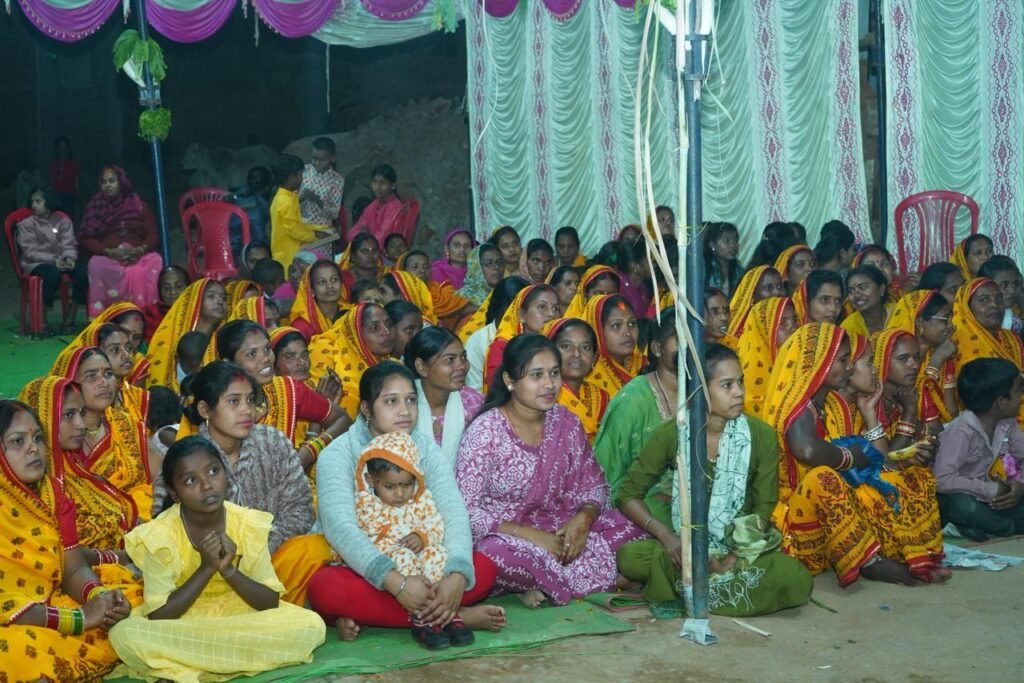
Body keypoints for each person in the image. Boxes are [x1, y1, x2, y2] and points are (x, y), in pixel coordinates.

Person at [310, 362, 505, 640]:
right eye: (391, 401)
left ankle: (397, 615)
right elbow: (341, 530)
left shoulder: (424, 448)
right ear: (366, 409)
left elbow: (453, 512)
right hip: (366, 566)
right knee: (325, 588)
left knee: (483, 567)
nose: (405, 411)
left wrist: (456, 578)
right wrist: (396, 583)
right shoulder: (337, 454)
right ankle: (457, 617)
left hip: (426, 560)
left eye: (411, 400)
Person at [615, 344, 813, 614]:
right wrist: (667, 537)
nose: (739, 392)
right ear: (699, 390)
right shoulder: (673, 433)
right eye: (727, 385)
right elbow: (627, 494)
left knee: (795, 577)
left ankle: (687, 586)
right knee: (629, 557)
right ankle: (715, 587)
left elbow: (764, 506)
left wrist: (733, 557)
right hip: (686, 544)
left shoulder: (761, 435)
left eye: (740, 382)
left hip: (740, 545)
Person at [109, 436, 325, 680]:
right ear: (174, 493)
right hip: (183, 623)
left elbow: (269, 601)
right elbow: (159, 614)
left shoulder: (246, 523)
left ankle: (189, 662)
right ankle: (227, 657)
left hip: (240, 616)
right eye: (191, 481)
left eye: (213, 471)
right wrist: (206, 569)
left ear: (226, 474)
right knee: (125, 634)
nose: (207, 485)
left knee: (311, 625)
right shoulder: (160, 535)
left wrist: (229, 571)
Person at [457, 334, 644, 607]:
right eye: (537, 375)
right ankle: (596, 577)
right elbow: (466, 511)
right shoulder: (485, 432)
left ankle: (543, 583)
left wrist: (583, 519)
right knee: (491, 554)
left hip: (564, 531)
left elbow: (595, 485)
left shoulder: (567, 423)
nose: (549, 384)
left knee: (634, 526)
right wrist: (533, 536)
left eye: (554, 373)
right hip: (508, 538)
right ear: (510, 380)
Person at [764, 323, 946, 585]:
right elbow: (807, 450)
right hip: (796, 520)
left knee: (915, 477)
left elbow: (878, 462)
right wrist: (849, 457)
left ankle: (914, 555)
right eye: (842, 360)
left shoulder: (829, 404)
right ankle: (870, 563)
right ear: (819, 361)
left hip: (833, 513)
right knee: (823, 478)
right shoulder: (797, 405)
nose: (849, 368)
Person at [0, 400, 136, 682]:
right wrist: (79, 619)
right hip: (14, 619)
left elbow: (72, 569)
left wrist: (100, 599)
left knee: (130, 601)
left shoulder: (52, 495)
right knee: (10, 650)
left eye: (38, 438)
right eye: (17, 441)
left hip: (46, 603)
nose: (33, 448)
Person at [355, 432, 474, 649]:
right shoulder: (367, 504)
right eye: (390, 487)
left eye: (407, 484)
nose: (400, 494)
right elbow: (368, 537)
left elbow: (436, 524)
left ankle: (443, 611)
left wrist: (423, 536)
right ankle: (422, 619)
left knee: (438, 554)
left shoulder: (421, 499)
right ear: (371, 480)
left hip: (424, 555)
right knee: (403, 557)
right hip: (392, 562)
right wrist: (399, 541)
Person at [19, 376, 139, 559]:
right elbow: (63, 554)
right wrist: (125, 557)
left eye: (81, 413)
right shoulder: (31, 485)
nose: (81, 425)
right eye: (68, 415)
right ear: (43, 416)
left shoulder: (76, 472)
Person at [206, 320, 350, 455]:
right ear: (229, 363)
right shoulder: (217, 408)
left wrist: (308, 453)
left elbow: (343, 419)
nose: (266, 358)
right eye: (252, 354)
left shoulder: (287, 389)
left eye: (267, 349)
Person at [50, 346, 154, 518]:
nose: (104, 383)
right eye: (91, 376)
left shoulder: (125, 424)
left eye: (108, 374)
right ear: (69, 384)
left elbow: (164, 473)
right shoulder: (56, 436)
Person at [593, 310, 678, 520]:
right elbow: (607, 473)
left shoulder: (706, 391)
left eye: (698, 340)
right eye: (681, 340)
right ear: (657, 348)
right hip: (643, 507)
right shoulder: (632, 399)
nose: (692, 348)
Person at [934, 358, 1024, 539]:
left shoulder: (1007, 423)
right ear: (1001, 402)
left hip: (987, 497)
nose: (1021, 399)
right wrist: (990, 490)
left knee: (1009, 504)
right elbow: (941, 480)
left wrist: (1020, 485)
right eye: (1018, 392)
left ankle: (979, 528)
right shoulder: (961, 431)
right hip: (954, 496)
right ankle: (1006, 527)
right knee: (962, 506)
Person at [79, 166, 162, 315]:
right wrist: (108, 252)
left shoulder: (138, 204)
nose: (107, 185)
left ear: (121, 182)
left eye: (112, 181)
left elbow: (153, 234)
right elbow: (86, 237)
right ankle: (105, 317)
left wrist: (140, 250)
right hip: (109, 255)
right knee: (95, 264)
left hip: (137, 254)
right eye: (104, 182)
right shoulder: (95, 206)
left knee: (155, 261)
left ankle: (145, 316)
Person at [405, 326, 484, 467]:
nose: (461, 366)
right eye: (450, 359)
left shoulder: (474, 404)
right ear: (421, 367)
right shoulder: (403, 407)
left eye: (463, 357)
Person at [16, 186, 88, 334]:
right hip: (35, 262)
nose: (34, 205)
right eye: (32, 202)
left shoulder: (63, 221)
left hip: (60, 260)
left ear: (48, 202)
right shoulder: (27, 224)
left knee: (83, 272)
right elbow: (30, 252)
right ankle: (41, 320)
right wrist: (53, 259)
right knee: (52, 274)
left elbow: (69, 244)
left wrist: (69, 258)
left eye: (38, 201)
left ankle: (70, 318)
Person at [887, 289, 960, 426]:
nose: (951, 326)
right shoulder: (893, 357)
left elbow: (951, 412)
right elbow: (911, 401)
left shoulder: (943, 354)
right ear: (920, 323)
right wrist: (936, 362)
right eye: (945, 319)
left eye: (951, 319)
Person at [310, 302, 396, 418]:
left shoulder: (395, 367)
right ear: (357, 335)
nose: (386, 331)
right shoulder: (336, 377)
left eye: (389, 324)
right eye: (374, 328)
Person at [146, 278, 228, 391]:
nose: (220, 301)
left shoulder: (225, 338)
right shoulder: (170, 338)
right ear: (195, 300)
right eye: (211, 296)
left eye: (223, 297)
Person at [951, 278, 1024, 393]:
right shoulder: (957, 346)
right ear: (967, 308)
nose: (994, 305)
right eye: (984, 300)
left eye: (999, 298)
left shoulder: (1011, 338)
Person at [484, 284, 560, 391]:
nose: (551, 314)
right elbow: (499, 389)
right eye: (542, 307)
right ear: (522, 314)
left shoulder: (560, 345)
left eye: (556, 308)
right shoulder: (502, 347)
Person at [544, 318, 609, 444]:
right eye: (566, 346)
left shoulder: (601, 398)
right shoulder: (541, 395)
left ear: (594, 357)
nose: (577, 354)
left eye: (586, 347)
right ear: (550, 352)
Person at [737, 297, 800, 417]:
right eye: (783, 323)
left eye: (794, 320)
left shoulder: (794, 357)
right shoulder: (751, 369)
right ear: (764, 329)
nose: (793, 328)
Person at [465, 276, 530, 391]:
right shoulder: (478, 341)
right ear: (498, 308)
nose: (519, 314)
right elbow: (475, 391)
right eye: (513, 309)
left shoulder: (534, 334)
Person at [270, 154, 331, 273]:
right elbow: (295, 231)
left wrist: (320, 228)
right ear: (292, 177)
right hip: (287, 257)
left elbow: (298, 225)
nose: (302, 178)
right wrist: (314, 236)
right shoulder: (286, 201)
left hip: (289, 253)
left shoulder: (288, 196)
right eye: (301, 174)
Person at [581, 294, 644, 398]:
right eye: (616, 325)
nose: (627, 332)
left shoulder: (646, 365)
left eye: (632, 323)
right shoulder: (588, 377)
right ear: (598, 330)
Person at [402, 250, 476, 327]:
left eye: (426, 267)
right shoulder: (401, 295)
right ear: (404, 271)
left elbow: (460, 307)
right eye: (415, 267)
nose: (422, 270)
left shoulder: (438, 291)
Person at [351, 164, 410, 244]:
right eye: (375, 182)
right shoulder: (375, 204)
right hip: (369, 246)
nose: (377, 186)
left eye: (383, 183)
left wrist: (363, 238)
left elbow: (381, 239)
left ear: (393, 186)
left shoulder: (394, 208)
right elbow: (353, 231)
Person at [289, 259, 345, 340]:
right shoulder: (302, 325)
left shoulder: (350, 315)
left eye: (334, 280)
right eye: (322, 282)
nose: (330, 286)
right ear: (311, 290)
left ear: (341, 284)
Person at [725, 265, 786, 338]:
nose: (777, 292)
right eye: (768, 288)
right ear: (752, 294)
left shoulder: (790, 319)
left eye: (780, 286)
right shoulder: (744, 328)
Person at [300, 136, 345, 227]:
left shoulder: (337, 181)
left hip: (321, 228)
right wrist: (302, 197)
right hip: (299, 225)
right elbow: (289, 199)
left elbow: (334, 214)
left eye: (322, 160)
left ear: (333, 158)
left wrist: (318, 201)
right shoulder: (303, 171)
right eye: (314, 159)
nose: (317, 163)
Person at [141, 265, 190, 343]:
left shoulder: (197, 312)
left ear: (189, 288)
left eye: (179, 286)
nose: (173, 292)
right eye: (167, 288)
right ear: (159, 291)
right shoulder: (147, 315)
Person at [978, 255, 1024, 335]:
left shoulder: (1015, 324)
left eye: (1015, 284)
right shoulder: (974, 323)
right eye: (1004, 285)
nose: (1012, 291)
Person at [842, 265, 892, 337]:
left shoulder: (899, 313)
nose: (856, 295)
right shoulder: (848, 328)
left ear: (881, 289)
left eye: (863, 287)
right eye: (851, 291)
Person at [230, 165, 273, 244]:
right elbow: (259, 237)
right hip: (243, 243)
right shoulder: (256, 207)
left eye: (256, 178)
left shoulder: (240, 193)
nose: (253, 180)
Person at [457, 243, 504, 312]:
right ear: (476, 267)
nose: (497, 267)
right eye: (489, 263)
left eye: (500, 262)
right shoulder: (461, 299)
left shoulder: (507, 294)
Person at [703, 222, 744, 297]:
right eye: (727, 241)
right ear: (712, 245)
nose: (733, 245)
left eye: (735, 240)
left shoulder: (739, 271)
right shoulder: (703, 269)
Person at [48, 135, 80, 216]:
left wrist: (77, 196)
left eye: (64, 147)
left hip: (69, 196)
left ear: (68, 148)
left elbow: (76, 182)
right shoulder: (54, 164)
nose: (62, 150)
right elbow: (51, 182)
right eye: (60, 147)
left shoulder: (73, 164)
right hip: (56, 196)